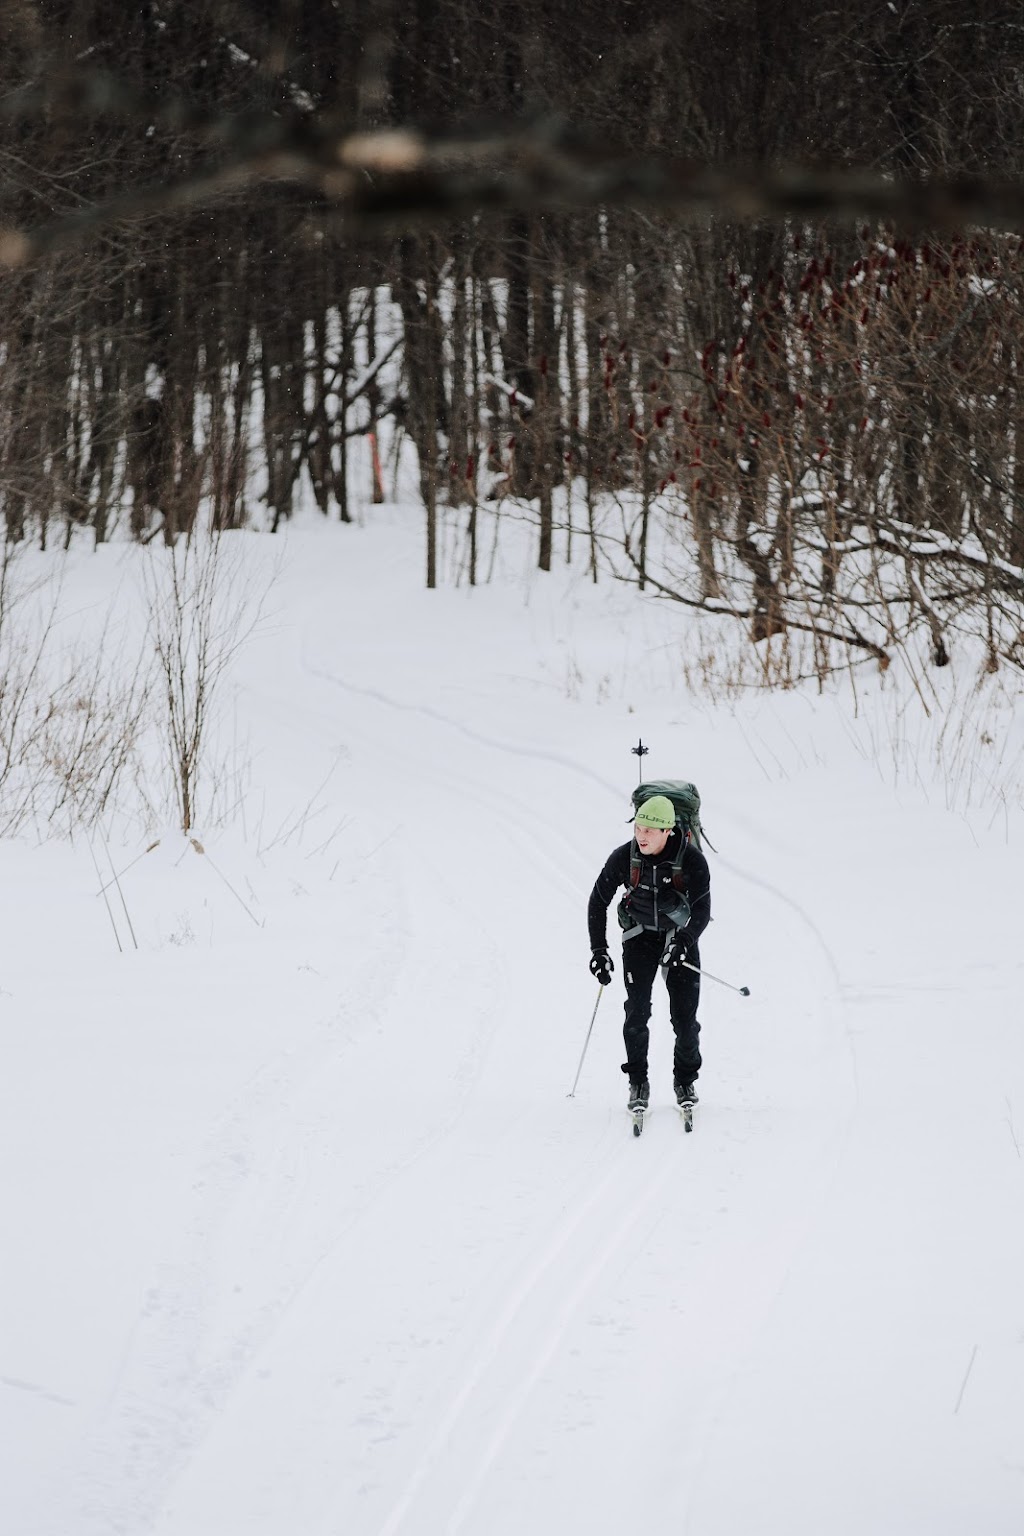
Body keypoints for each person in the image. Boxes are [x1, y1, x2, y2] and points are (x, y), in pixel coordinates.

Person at [587, 794, 711, 1111]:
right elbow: (597, 901)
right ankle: (637, 1082)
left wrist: (683, 942)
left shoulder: (692, 860)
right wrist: (599, 950)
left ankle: (685, 1080)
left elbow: (701, 910)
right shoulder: (625, 857)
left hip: (678, 940)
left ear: (667, 830)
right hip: (639, 938)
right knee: (636, 1014)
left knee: (685, 1021)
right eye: (638, 828)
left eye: (650, 830)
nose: (641, 836)